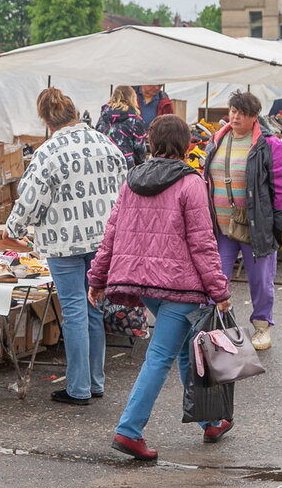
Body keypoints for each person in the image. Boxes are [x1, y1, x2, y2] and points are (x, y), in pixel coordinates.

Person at [87, 115, 233, 461]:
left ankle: (212, 420)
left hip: (144, 285)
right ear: (185, 145)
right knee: (160, 356)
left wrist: (97, 278)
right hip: (181, 287)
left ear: (151, 144)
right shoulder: (190, 183)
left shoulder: (132, 180)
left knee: (184, 351)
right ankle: (129, 430)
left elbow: (111, 234)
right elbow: (202, 243)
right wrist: (220, 289)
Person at [0, 88, 127, 406]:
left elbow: (31, 199)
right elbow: (124, 187)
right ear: (74, 112)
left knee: (73, 312)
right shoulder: (105, 142)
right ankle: (95, 382)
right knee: (93, 309)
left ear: (46, 120)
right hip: (103, 240)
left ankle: (79, 388)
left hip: (64, 241)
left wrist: (13, 230)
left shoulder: (49, 151)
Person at [202, 91, 282, 351]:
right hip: (221, 226)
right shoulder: (217, 139)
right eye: (232, 110)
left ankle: (262, 325)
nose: (235, 116)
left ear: (255, 116)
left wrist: (276, 223)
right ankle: (214, 327)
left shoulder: (269, 145)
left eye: (241, 112)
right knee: (216, 277)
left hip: (256, 225)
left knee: (260, 279)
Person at [96, 85, 147, 169]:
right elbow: (140, 149)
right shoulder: (135, 120)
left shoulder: (102, 118)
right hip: (126, 166)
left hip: (104, 164)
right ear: (132, 98)